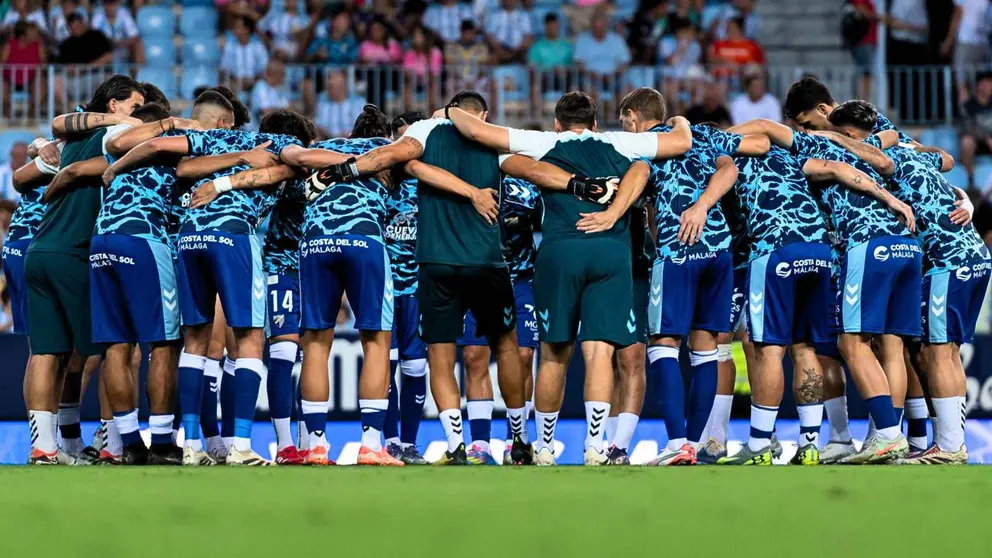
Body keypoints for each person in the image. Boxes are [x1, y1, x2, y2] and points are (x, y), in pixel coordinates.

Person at [307, 91, 621, 465]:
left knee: (441, 355)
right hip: (487, 263)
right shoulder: (493, 141)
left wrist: (341, 171)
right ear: (481, 117)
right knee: (507, 348)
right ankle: (519, 439)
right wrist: (580, 185)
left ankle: (455, 444)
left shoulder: (425, 133)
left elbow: (390, 158)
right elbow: (534, 171)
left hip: (436, 263)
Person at [442, 91, 693, 466]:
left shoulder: (543, 141)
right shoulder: (621, 142)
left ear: (557, 124)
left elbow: (482, 137)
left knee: (554, 355)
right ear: (595, 123)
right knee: (600, 352)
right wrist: (680, 121)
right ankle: (595, 446)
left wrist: (449, 111)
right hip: (611, 251)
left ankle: (544, 448)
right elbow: (679, 144)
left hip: (560, 252)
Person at [104, 109, 315, 466]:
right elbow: (296, 167)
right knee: (249, 339)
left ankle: (191, 445)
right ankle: (241, 447)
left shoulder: (219, 138)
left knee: (195, 340)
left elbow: (164, 153)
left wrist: (116, 167)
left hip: (189, 237)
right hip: (233, 234)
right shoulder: (284, 145)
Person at [592, 88, 769, 465]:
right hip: (719, 250)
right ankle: (694, 442)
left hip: (679, 251)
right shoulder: (702, 135)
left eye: (624, 122)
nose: (625, 128)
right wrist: (703, 205)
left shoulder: (646, 146)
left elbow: (641, 175)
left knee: (663, 344)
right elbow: (735, 164)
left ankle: (676, 443)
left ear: (633, 117)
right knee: (706, 347)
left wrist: (612, 214)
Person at [730, 116, 920, 464]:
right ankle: (811, 445)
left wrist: (710, 138)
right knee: (810, 349)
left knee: (770, 349)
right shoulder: (797, 158)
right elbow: (861, 160)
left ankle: (760, 444)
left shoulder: (730, 156)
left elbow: (762, 128)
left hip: (782, 250)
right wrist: (890, 198)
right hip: (824, 252)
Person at [829, 100, 989, 464]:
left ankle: (950, 447)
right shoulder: (911, 151)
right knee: (944, 352)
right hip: (971, 254)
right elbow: (946, 160)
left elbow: (885, 162)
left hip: (947, 259)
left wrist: (838, 141)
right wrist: (964, 197)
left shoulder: (885, 156)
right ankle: (948, 442)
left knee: (937, 352)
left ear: (852, 134)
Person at [89, 98, 235, 465]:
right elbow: (191, 169)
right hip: (143, 240)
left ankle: (129, 444)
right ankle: (162, 442)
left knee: (117, 346)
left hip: (101, 242)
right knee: (165, 344)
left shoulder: (116, 150)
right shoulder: (169, 149)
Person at [18, 75, 144, 465]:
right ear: (114, 106)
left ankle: (45, 448)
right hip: (74, 253)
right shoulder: (116, 136)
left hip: (40, 251)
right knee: (114, 351)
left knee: (47, 353)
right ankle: (113, 441)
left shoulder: (67, 143)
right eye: (135, 107)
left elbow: (21, 178)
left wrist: (42, 149)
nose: (137, 116)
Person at [382, 112, 429, 465]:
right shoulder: (378, 181)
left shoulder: (433, 182)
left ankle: (410, 444)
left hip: (418, 290)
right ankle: (390, 442)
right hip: (382, 288)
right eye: (400, 139)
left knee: (415, 368)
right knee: (383, 365)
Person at [941, 0, 991, 102]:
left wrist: (948, 42)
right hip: (976, 40)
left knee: (966, 83)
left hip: (974, 42)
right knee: (967, 83)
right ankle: (969, 108)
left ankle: (971, 108)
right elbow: (958, 13)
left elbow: (957, 14)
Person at [959, 72, 992, 187]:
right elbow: (966, 128)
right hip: (977, 143)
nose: (990, 87)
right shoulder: (969, 106)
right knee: (966, 141)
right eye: (987, 84)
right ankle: (970, 179)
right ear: (979, 86)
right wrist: (985, 137)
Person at [220, 17, 270, 93]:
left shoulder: (258, 46)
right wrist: (237, 80)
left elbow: (264, 67)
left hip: (255, 83)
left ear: (246, 30)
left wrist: (252, 81)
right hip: (235, 83)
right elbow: (225, 67)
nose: (234, 30)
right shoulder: (230, 46)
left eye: (238, 27)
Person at [90, 0, 143, 66]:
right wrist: (109, 43)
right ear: (103, 4)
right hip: (104, 50)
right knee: (106, 54)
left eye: (113, 3)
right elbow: (93, 37)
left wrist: (119, 43)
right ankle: (89, 68)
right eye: (107, 3)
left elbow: (135, 37)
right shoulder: (98, 15)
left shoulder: (124, 14)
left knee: (137, 45)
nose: (110, 7)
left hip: (122, 48)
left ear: (117, 3)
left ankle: (140, 71)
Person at [314, 70, 364, 139]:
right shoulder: (323, 100)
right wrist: (333, 136)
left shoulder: (358, 101)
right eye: (328, 86)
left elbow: (361, 126)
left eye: (331, 87)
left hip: (352, 140)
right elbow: (319, 125)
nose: (327, 90)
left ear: (342, 87)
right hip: (328, 139)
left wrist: (346, 136)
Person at [444, 20, 490, 94]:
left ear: (474, 33)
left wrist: (474, 81)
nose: (468, 35)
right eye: (466, 33)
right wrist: (462, 81)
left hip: (476, 80)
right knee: (450, 82)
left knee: (484, 81)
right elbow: (450, 65)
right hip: (458, 79)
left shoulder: (481, 47)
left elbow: (483, 66)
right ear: (461, 32)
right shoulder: (451, 46)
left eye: (471, 33)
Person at [250, 58, 291, 123]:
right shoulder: (260, 87)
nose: (284, 76)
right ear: (275, 74)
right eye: (283, 73)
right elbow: (265, 112)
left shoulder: (278, 88)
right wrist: (283, 111)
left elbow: (288, 108)